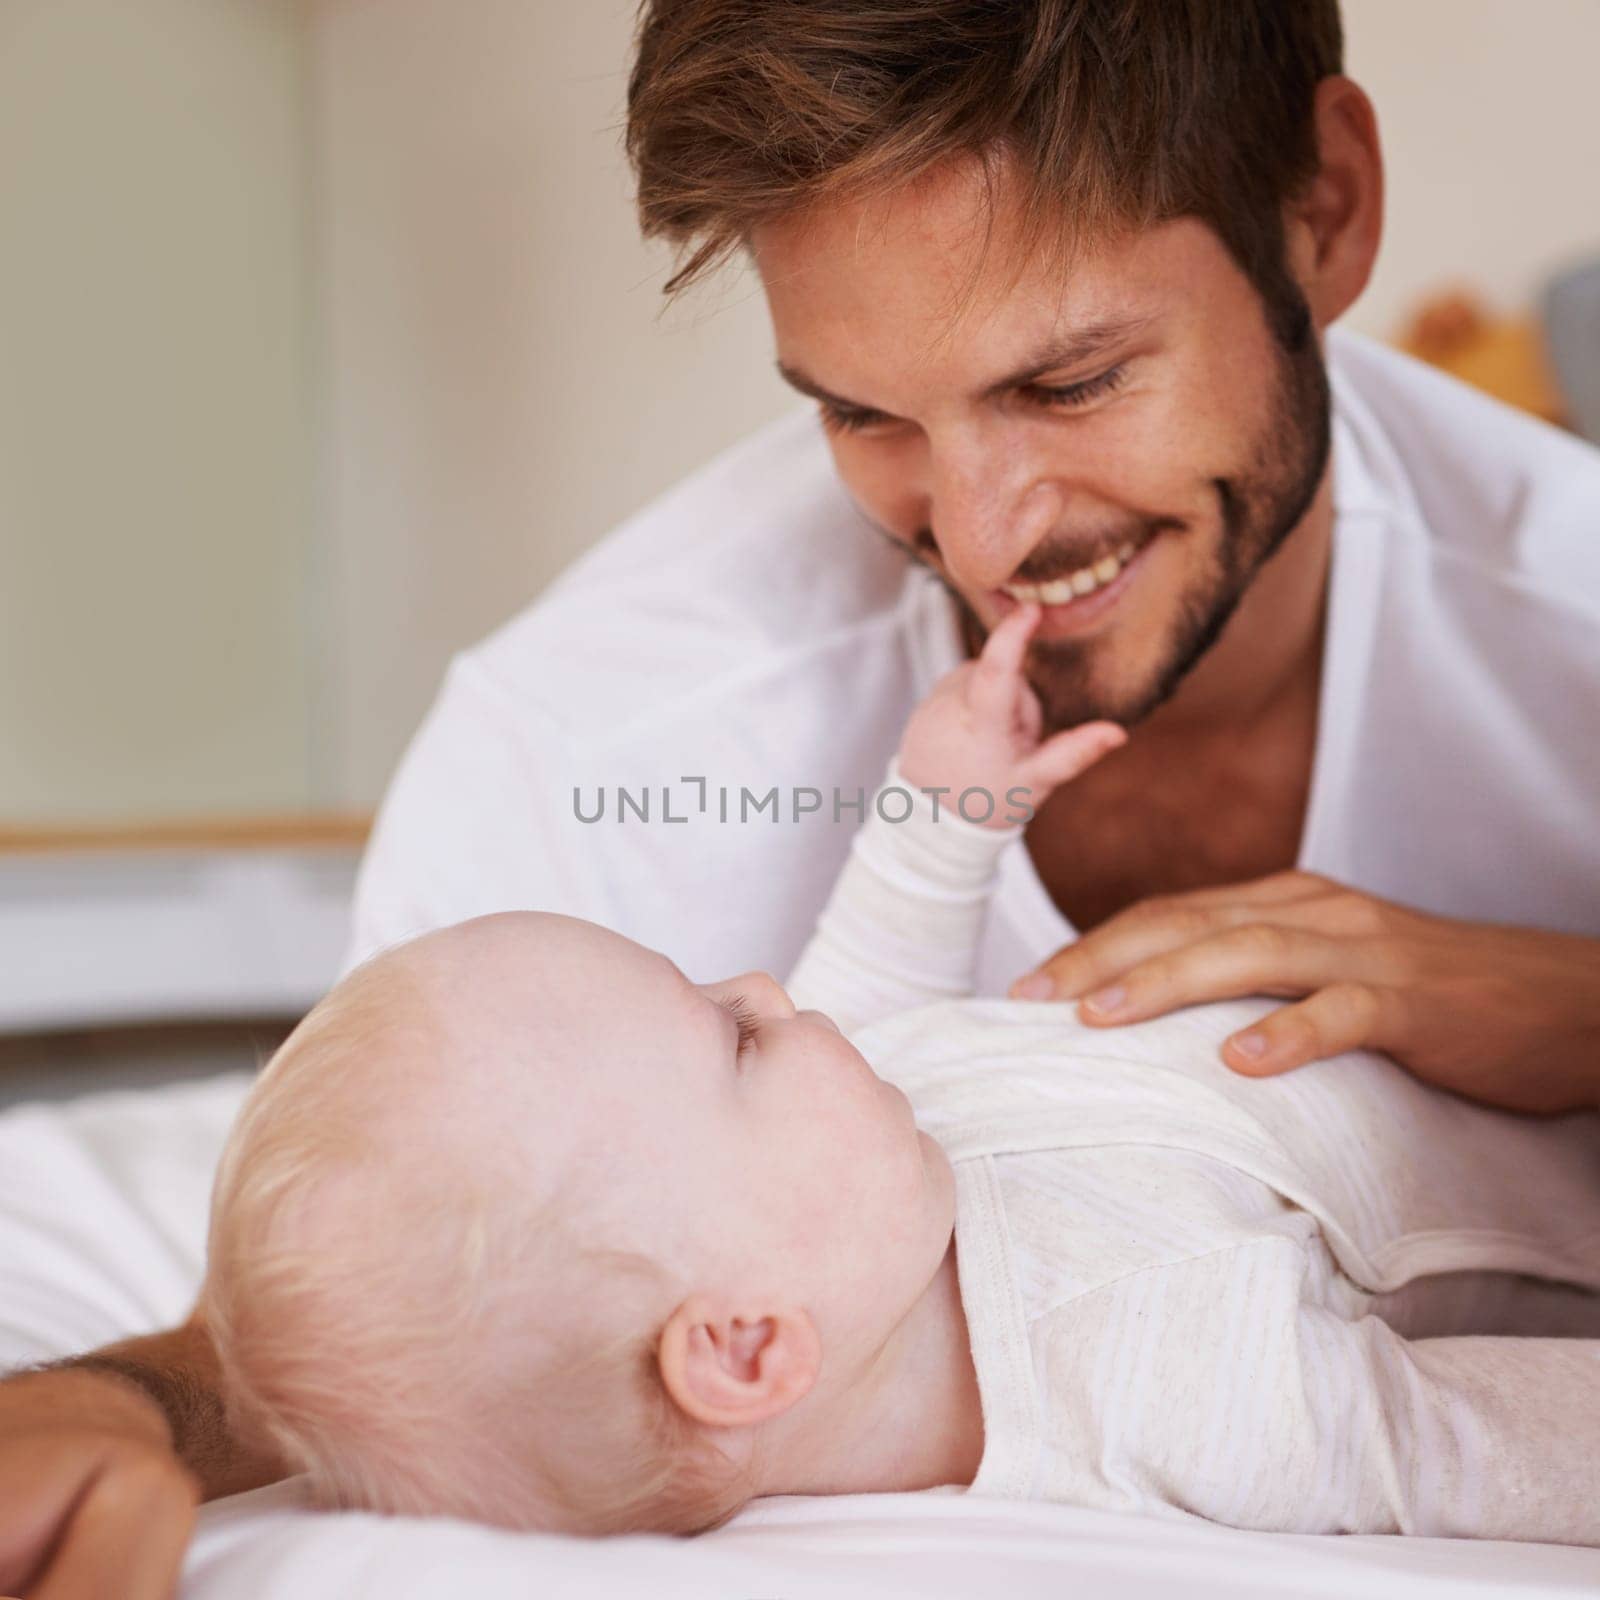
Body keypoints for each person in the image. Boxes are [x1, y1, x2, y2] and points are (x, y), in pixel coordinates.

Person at [4, 3, 1598, 1594]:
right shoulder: (583, 749)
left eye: (1073, 380)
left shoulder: (1567, 623)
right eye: (863, 413)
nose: (980, 540)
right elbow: (424, 1324)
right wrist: (101, 1411)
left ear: (1324, 207)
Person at [201, 606, 1600, 1545]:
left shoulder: (848, 1186)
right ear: (747, 1347)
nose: (763, 988)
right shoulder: (1144, 1376)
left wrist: (945, 809)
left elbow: (869, 968)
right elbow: (1463, 1444)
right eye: (731, 1037)